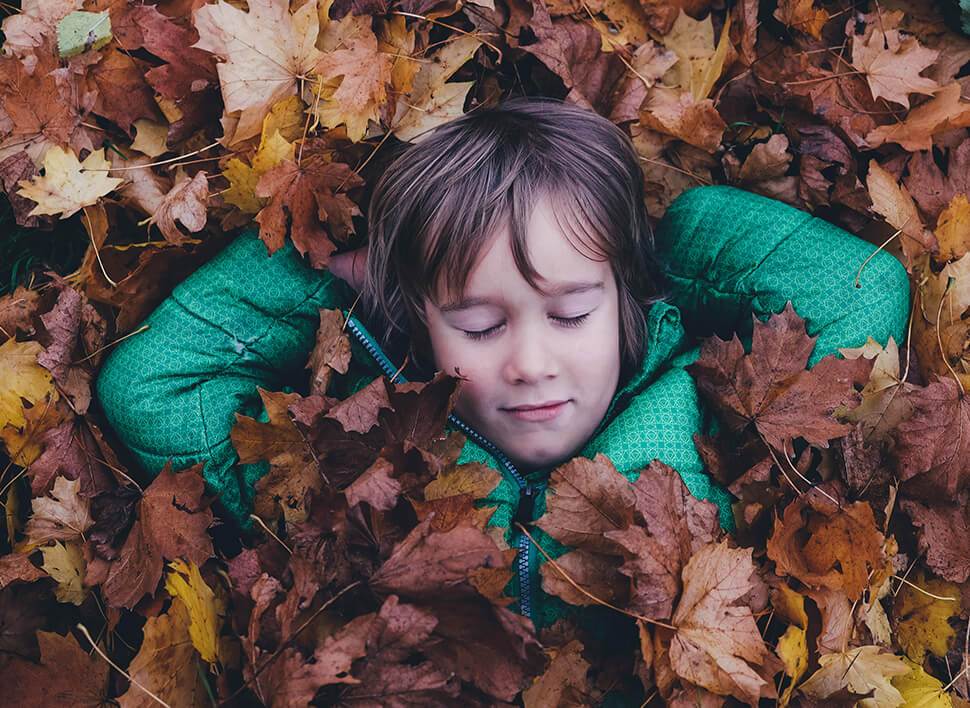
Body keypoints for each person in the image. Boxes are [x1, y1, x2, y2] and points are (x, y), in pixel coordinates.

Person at [95, 96, 910, 635]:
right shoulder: (355, 458)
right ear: (422, 325)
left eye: (571, 313)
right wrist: (331, 270)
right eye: (480, 324)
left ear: (623, 299)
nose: (531, 361)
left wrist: (668, 244)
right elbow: (150, 385)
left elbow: (863, 291)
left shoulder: (713, 413)